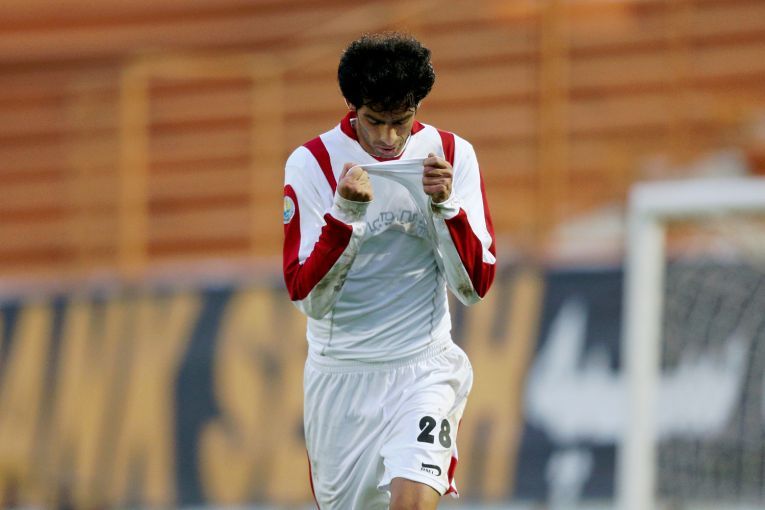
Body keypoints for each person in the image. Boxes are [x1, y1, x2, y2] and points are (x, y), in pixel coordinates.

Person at [282, 32, 496, 509]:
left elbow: (475, 287)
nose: (388, 138)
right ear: (351, 107)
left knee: (411, 503)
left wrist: (446, 206)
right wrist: (344, 214)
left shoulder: (451, 155)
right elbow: (307, 298)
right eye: (374, 121)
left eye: (401, 121)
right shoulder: (312, 163)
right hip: (342, 378)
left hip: (424, 366)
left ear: (417, 108)